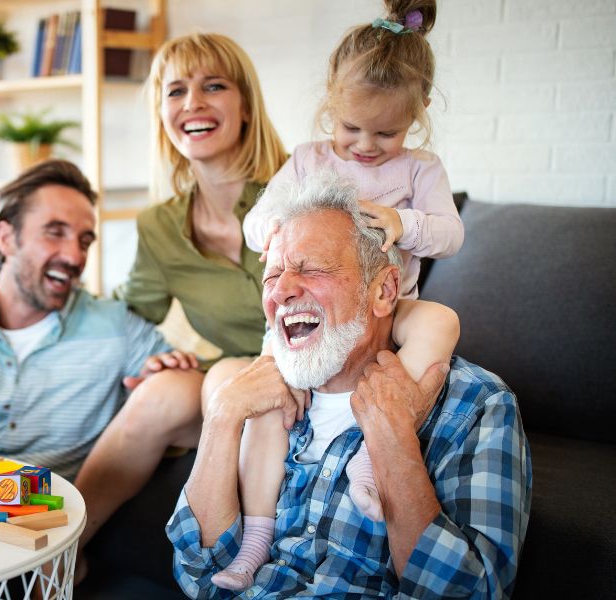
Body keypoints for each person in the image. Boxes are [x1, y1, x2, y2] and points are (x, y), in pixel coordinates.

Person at [73, 31, 459, 559]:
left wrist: (401, 223)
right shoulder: (167, 224)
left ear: (247, 105)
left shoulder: (312, 179)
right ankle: (63, 551)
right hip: (250, 358)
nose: (194, 103)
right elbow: (129, 309)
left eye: (214, 86)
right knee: (176, 389)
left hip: (337, 349)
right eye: (176, 90)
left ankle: (256, 539)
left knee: (232, 384)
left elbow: (437, 237)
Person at [167, 171, 531, 598]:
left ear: (384, 291)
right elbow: (197, 570)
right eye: (272, 276)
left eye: (311, 268)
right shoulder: (258, 396)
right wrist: (223, 416)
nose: (281, 291)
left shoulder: (477, 405)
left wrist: (392, 437)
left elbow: (470, 592)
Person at [213, 1, 465, 588]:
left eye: (387, 132)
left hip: (388, 308)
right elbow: (254, 226)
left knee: (441, 321)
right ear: (331, 106)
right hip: (311, 318)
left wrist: (405, 223)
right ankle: (253, 544)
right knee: (270, 409)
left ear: (419, 113)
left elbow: (451, 235)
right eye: (351, 128)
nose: (366, 146)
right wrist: (275, 229)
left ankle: (373, 454)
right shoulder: (307, 160)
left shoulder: (420, 169)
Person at [0, 160, 195, 480]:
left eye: (84, 241)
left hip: (72, 518)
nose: (75, 256)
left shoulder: (118, 328)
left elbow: (192, 415)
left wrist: (154, 385)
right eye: (55, 233)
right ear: (6, 238)